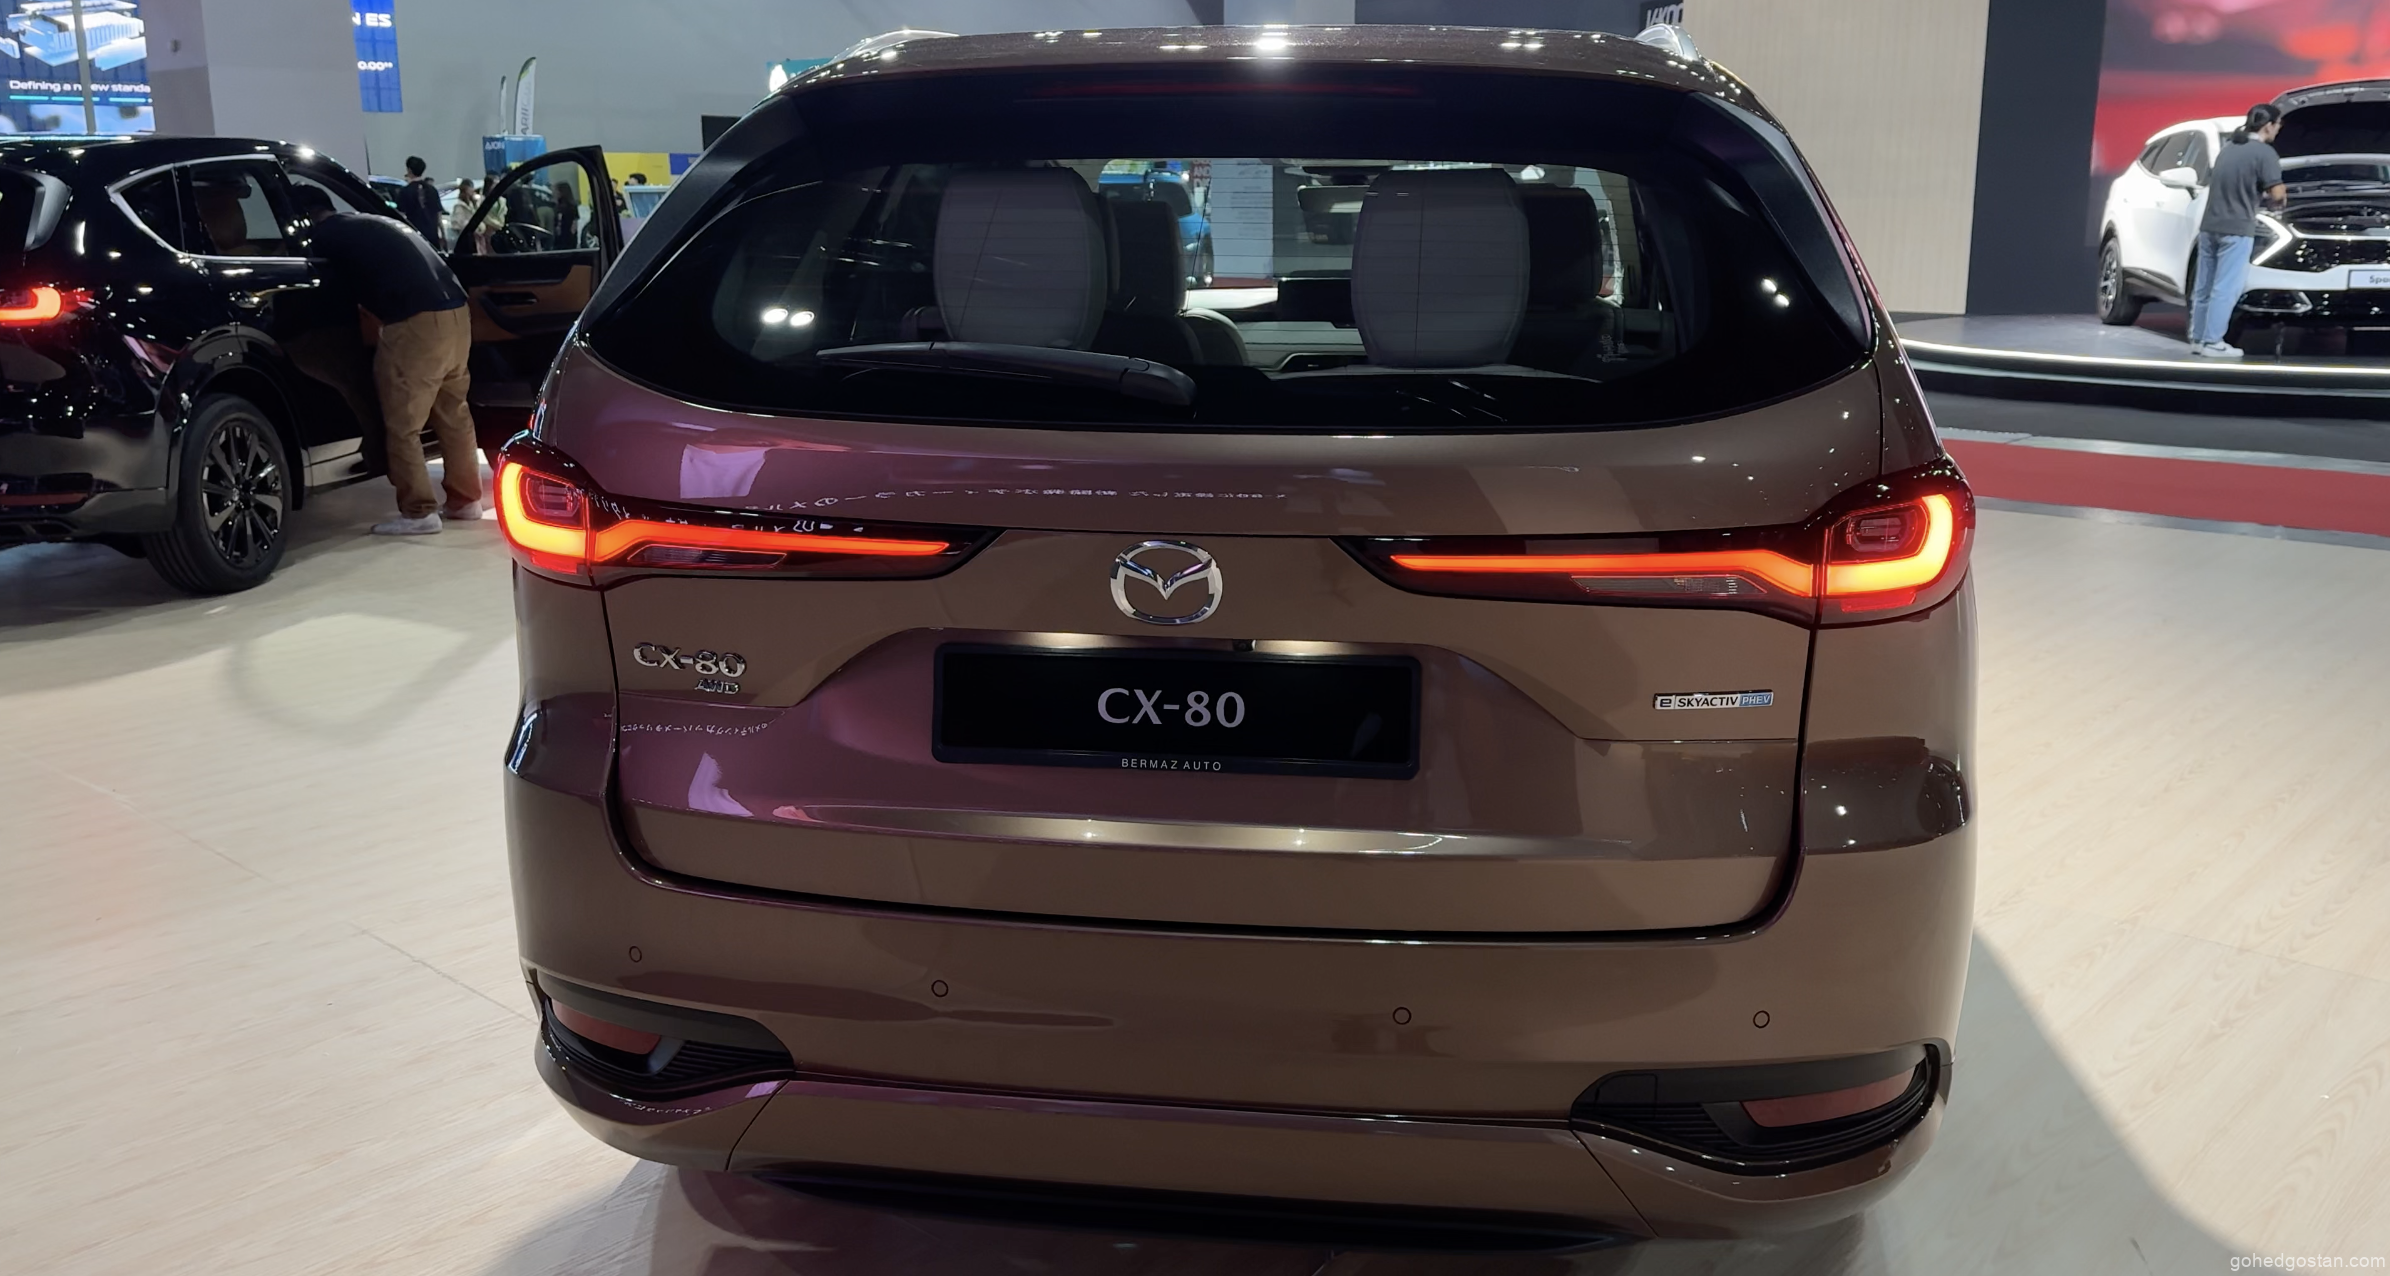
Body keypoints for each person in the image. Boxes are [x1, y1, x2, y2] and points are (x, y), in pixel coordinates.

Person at [289, 184, 480, 536]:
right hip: (457, 313)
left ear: (305, 217)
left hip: (416, 322)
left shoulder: (323, 237)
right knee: (454, 414)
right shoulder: (369, 223)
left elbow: (321, 290)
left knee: (403, 424)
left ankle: (419, 512)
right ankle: (465, 501)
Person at [2188, 103, 2286, 360]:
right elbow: (2277, 194)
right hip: (2237, 229)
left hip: (2210, 227)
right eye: (2278, 125)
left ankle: (2198, 339)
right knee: (2226, 288)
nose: (2278, 129)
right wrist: (2275, 200)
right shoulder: (2265, 153)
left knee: (2204, 286)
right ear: (2268, 126)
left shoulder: (2228, 148)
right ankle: (2213, 342)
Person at [395, 155, 446, 248]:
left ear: (409, 170)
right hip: (432, 237)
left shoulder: (405, 191)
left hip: (415, 238)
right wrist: (443, 236)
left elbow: (401, 216)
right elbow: (439, 216)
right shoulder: (433, 190)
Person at [446, 177, 479, 247]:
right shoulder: (459, 206)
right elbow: (457, 224)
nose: (472, 191)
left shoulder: (473, 203)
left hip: (475, 236)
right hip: (466, 237)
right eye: (470, 189)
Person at [553, 176, 581, 249]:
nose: (554, 193)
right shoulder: (569, 205)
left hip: (566, 235)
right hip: (565, 236)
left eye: (556, 191)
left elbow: (574, 221)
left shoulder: (567, 206)